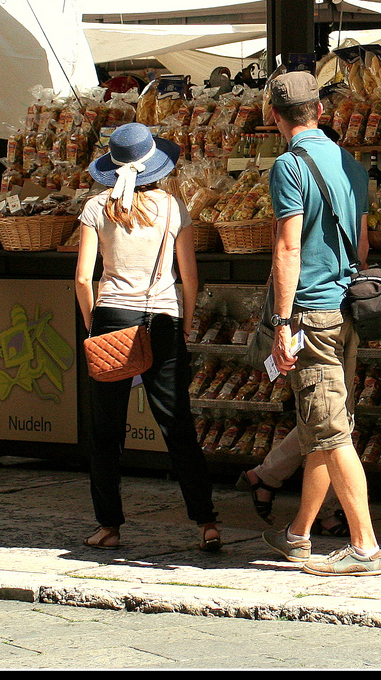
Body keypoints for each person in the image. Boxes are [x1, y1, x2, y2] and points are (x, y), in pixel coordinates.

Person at [260, 69, 381, 576]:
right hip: (347, 308)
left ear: (274, 116)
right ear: (320, 112)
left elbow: (288, 246)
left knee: (331, 433)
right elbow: (365, 244)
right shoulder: (350, 163)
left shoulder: (288, 167)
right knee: (326, 426)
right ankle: (299, 535)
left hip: (310, 311)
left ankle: (364, 547)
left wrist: (281, 321)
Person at [74, 122, 220, 553]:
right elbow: (189, 277)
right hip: (164, 317)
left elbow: (84, 279)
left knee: (105, 429)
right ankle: (206, 522)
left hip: (112, 315)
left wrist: (92, 324)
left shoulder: (97, 207)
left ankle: (109, 526)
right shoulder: (174, 207)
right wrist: (187, 321)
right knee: (177, 424)